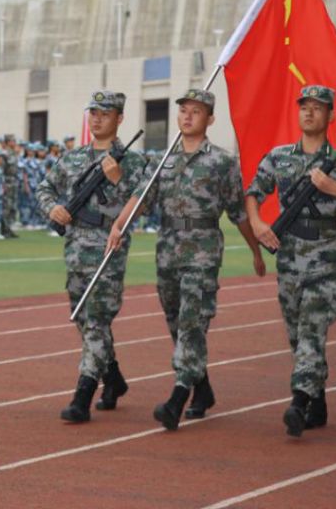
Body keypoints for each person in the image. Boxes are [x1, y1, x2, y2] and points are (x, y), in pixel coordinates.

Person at [108, 89, 265, 430]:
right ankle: (203, 390)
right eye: (184, 111)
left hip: (203, 249)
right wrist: (119, 224)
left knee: (193, 321)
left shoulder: (222, 162)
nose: (188, 116)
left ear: (210, 119)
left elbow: (238, 211)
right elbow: (142, 201)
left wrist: (255, 251)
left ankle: (178, 396)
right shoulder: (161, 160)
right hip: (168, 249)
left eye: (197, 111)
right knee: (177, 324)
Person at [244, 85, 336, 438]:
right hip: (289, 252)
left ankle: (299, 401)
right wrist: (257, 224)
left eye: (318, 108)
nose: (310, 112)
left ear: (331, 115)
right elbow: (253, 192)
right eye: (305, 107)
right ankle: (317, 396)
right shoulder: (279, 156)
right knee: (294, 331)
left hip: (325, 251)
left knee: (312, 327)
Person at [37, 91, 147, 424]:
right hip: (75, 248)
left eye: (105, 113)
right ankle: (112, 378)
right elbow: (45, 188)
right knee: (83, 318)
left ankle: (82, 395)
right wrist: (52, 208)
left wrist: (118, 179)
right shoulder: (72, 159)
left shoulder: (134, 161)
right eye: (94, 113)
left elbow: (143, 200)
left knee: (98, 319)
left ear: (120, 119)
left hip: (108, 249)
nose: (97, 118)